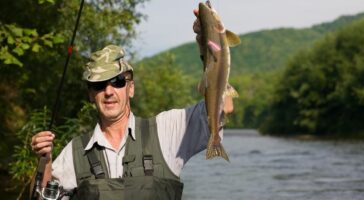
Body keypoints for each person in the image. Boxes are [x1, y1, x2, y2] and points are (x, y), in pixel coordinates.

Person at [30, 9, 233, 200]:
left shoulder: (166, 130)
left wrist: (207, 42)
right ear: (91, 94)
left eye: (118, 82)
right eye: (99, 85)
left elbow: (223, 105)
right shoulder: (74, 152)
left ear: (131, 89)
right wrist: (45, 162)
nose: (108, 92)